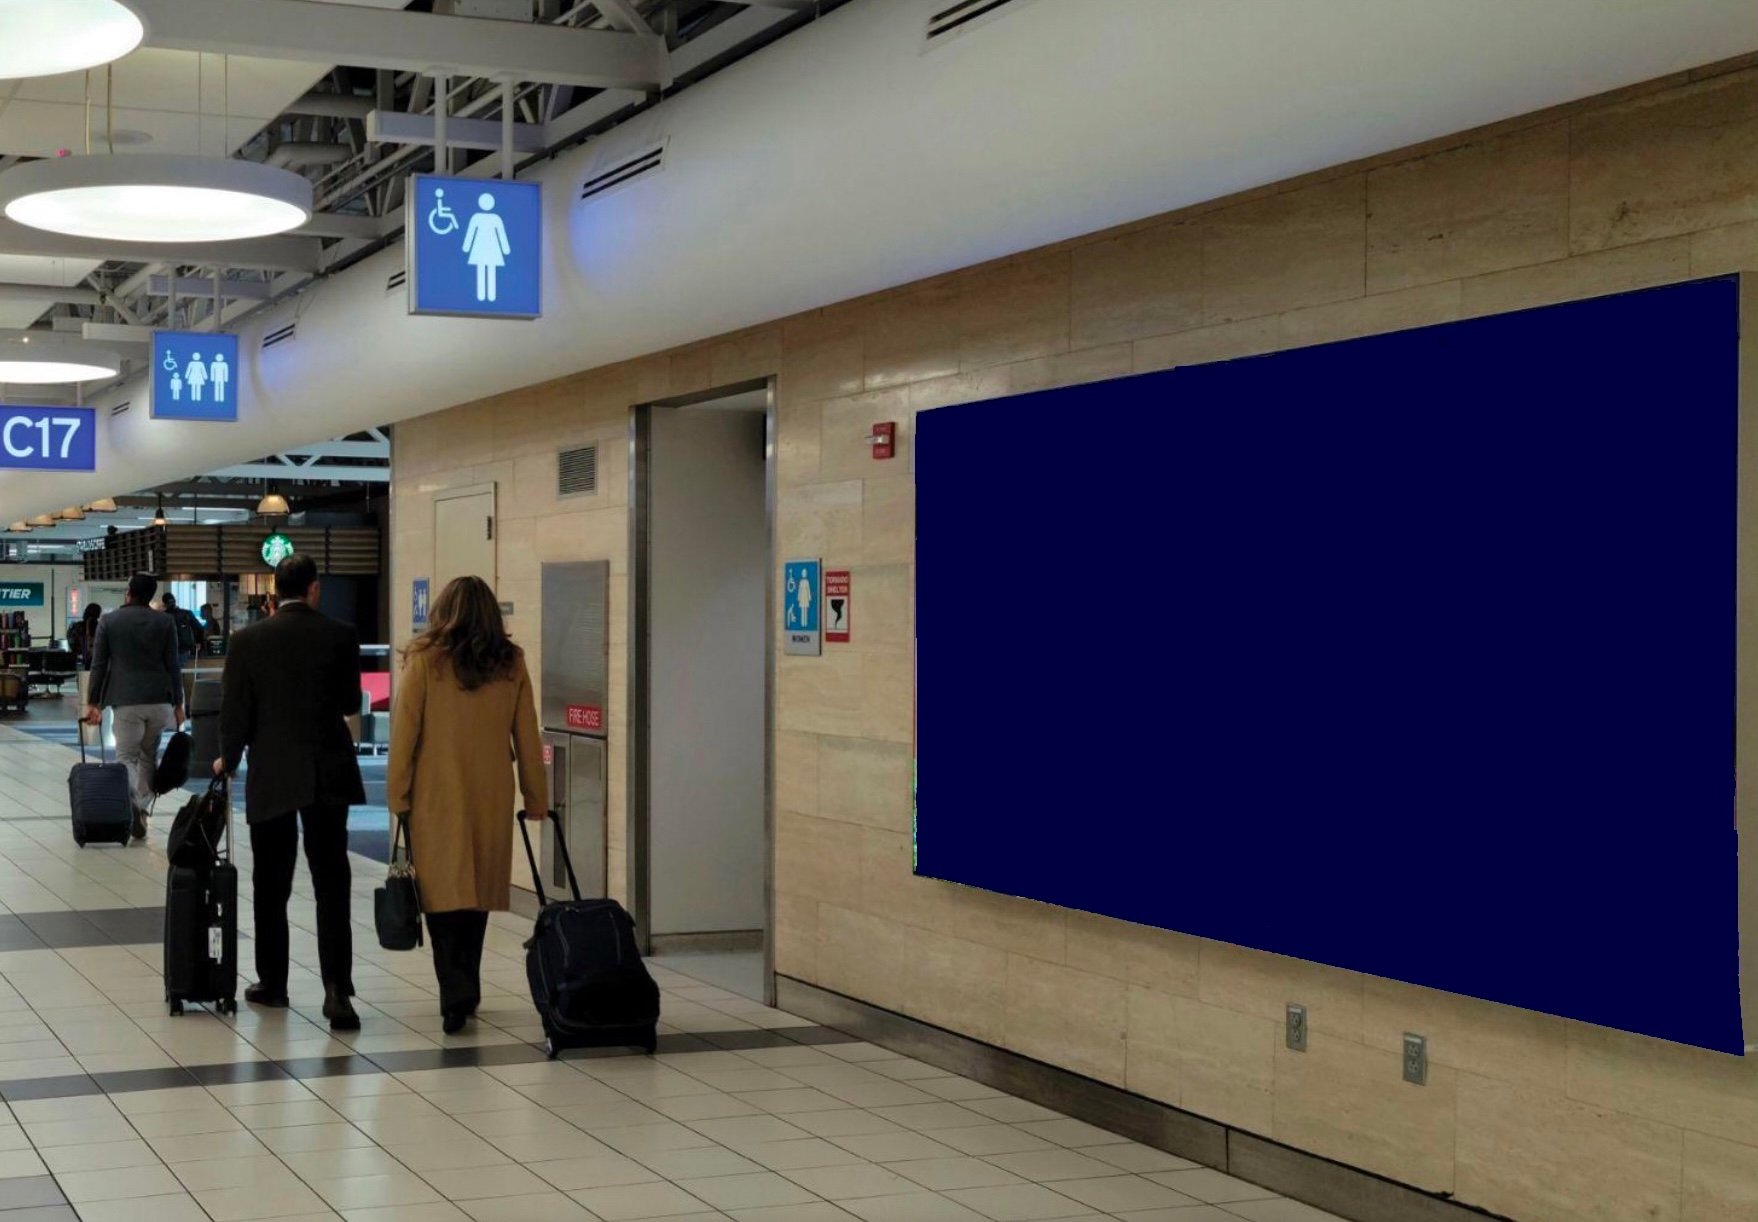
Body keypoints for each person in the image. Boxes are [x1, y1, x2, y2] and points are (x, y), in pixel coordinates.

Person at [387, 576, 548, 1035]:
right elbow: (527, 735)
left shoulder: (425, 661)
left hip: (435, 794)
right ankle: (466, 987)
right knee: (475, 891)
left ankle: (454, 991)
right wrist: (535, 796)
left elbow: (405, 734)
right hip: (490, 794)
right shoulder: (510, 662)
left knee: (441, 896)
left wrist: (397, 794)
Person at [215, 553, 364, 1030]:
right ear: (315, 589)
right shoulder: (341, 635)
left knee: (271, 884)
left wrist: (229, 757)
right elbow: (347, 702)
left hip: (273, 773)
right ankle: (337, 991)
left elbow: (235, 712)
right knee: (331, 884)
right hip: (327, 771)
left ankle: (273, 983)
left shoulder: (247, 641)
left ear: (274, 592)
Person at [85, 575, 182, 841]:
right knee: (149, 756)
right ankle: (141, 806)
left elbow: (99, 665)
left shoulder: (109, 621)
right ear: (150, 595)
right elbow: (174, 665)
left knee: (126, 756)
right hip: (159, 700)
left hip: (126, 700)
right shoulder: (165, 621)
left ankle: (132, 802)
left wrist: (94, 702)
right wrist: (179, 704)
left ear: (128, 593)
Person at [161, 593, 204, 669]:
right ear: (175, 601)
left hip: (168, 650)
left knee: (170, 672)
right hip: (184, 649)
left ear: (164, 604)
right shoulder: (187, 613)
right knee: (182, 671)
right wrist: (198, 643)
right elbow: (199, 628)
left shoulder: (162, 616)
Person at [67, 603, 102, 671]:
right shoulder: (101, 626)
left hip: (81, 661)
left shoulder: (76, 626)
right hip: (96, 660)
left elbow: (72, 643)